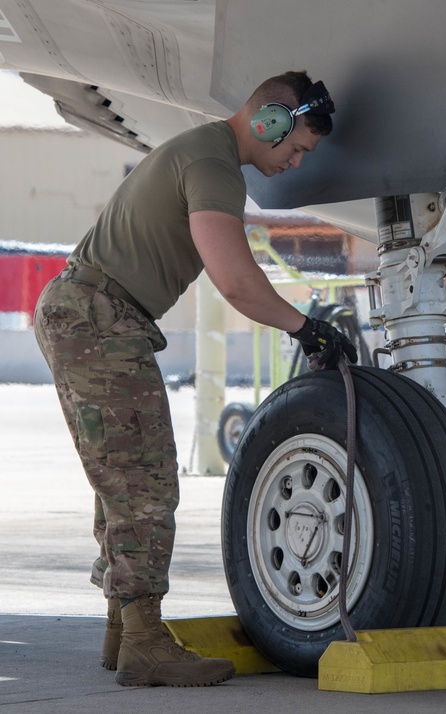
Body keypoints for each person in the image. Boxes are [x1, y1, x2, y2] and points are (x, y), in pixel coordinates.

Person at [33, 70, 357, 688]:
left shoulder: (202, 151)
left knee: (121, 481)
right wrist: (307, 330)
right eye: (295, 147)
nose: (293, 162)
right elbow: (234, 279)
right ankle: (145, 642)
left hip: (85, 311)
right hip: (100, 318)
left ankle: (122, 632)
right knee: (145, 483)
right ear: (268, 121)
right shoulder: (214, 167)